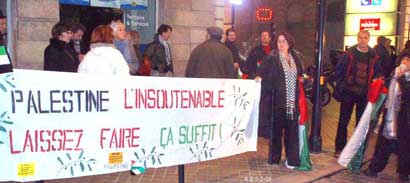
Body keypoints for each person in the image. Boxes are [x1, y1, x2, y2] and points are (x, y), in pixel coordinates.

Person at [255, 32, 304, 168]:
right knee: (276, 132)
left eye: (284, 42)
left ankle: (292, 160)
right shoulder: (272, 57)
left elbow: (300, 73)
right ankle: (274, 159)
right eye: (279, 42)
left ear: (289, 43)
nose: (281, 44)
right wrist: (259, 77)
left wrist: (303, 79)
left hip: (292, 101)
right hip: (277, 101)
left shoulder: (295, 56)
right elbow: (262, 71)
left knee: (291, 132)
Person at [334, 30, 382, 157]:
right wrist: (342, 86)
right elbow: (339, 71)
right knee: (343, 121)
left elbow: (378, 73)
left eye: (365, 38)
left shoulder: (374, 56)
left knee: (361, 123)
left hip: (364, 95)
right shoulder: (349, 54)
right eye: (360, 37)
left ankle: (357, 149)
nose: (362, 40)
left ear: (369, 39)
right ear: (357, 38)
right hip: (348, 93)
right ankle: (339, 148)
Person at [364, 50, 410, 182]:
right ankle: (374, 168)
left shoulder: (403, 77)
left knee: (404, 146)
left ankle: (404, 172)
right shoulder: (395, 74)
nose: (404, 62)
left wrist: (402, 79)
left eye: (408, 60)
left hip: (404, 118)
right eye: (403, 59)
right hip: (390, 114)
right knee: (384, 142)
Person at [244, 30, 273, 137]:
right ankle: (260, 128)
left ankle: (269, 127)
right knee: (261, 106)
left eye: (266, 36)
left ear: (270, 38)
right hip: (260, 83)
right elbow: (248, 66)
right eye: (262, 36)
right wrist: (253, 75)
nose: (264, 37)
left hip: (272, 84)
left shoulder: (274, 51)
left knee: (270, 107)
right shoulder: (255, 51)